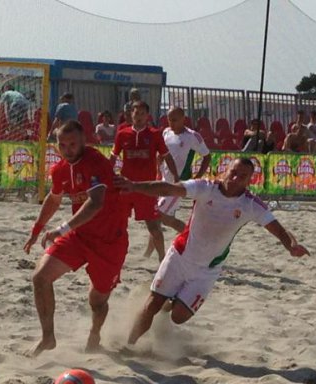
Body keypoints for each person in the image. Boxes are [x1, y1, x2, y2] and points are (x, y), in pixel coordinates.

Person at [116, 157, 309, 346]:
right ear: (225, 170)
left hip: (207, 270)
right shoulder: (205, 188)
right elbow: (170, 188)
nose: (235, 179)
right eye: (233, 172)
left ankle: (169, 300)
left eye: (242, 176)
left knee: (178, 317)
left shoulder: (250, 204)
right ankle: (129, 345)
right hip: (180, 256)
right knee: (152, 305)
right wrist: (134, 186)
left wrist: (291, 245)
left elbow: (278, 229)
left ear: (250, 180)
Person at [23, 120, 132, 356]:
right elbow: (54, 199)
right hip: (80, 236)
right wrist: (36, 231)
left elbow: (96, 203)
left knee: (97, 302)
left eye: (72, 144)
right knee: (40, 278)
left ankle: (94, 335)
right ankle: (48, 338)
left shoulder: (96, 163)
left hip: (110, 243)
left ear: (84, 140)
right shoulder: (60, 170)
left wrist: (60, 229)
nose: (68, 149)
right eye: (63, 145)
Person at [111, 100, 178, 262]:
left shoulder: (155, 134)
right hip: (125, 186)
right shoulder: (123, 134)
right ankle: (116, 257)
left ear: (147, 116)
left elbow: (167, 156)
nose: (139, 116)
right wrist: (106, 174)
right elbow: (113, 157)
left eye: (142, 113)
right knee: (118, 225)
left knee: (154, 227)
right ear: (131, 114)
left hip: (147, 188)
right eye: (136, 113)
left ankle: (162, 260)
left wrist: (176, 176)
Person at [154, 106, 212, 239]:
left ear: (183, 119)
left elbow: (207, 156)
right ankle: (190, 237)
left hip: (178, 184)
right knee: (163, 220)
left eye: (174, 120)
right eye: (169, 120)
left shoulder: (192, 136)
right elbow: (161, 154)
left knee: (157, 215)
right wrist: (158, 168)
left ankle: (192, 237)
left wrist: (197, 177)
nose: (171, 123)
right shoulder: (166, 133)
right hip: (163, 181)